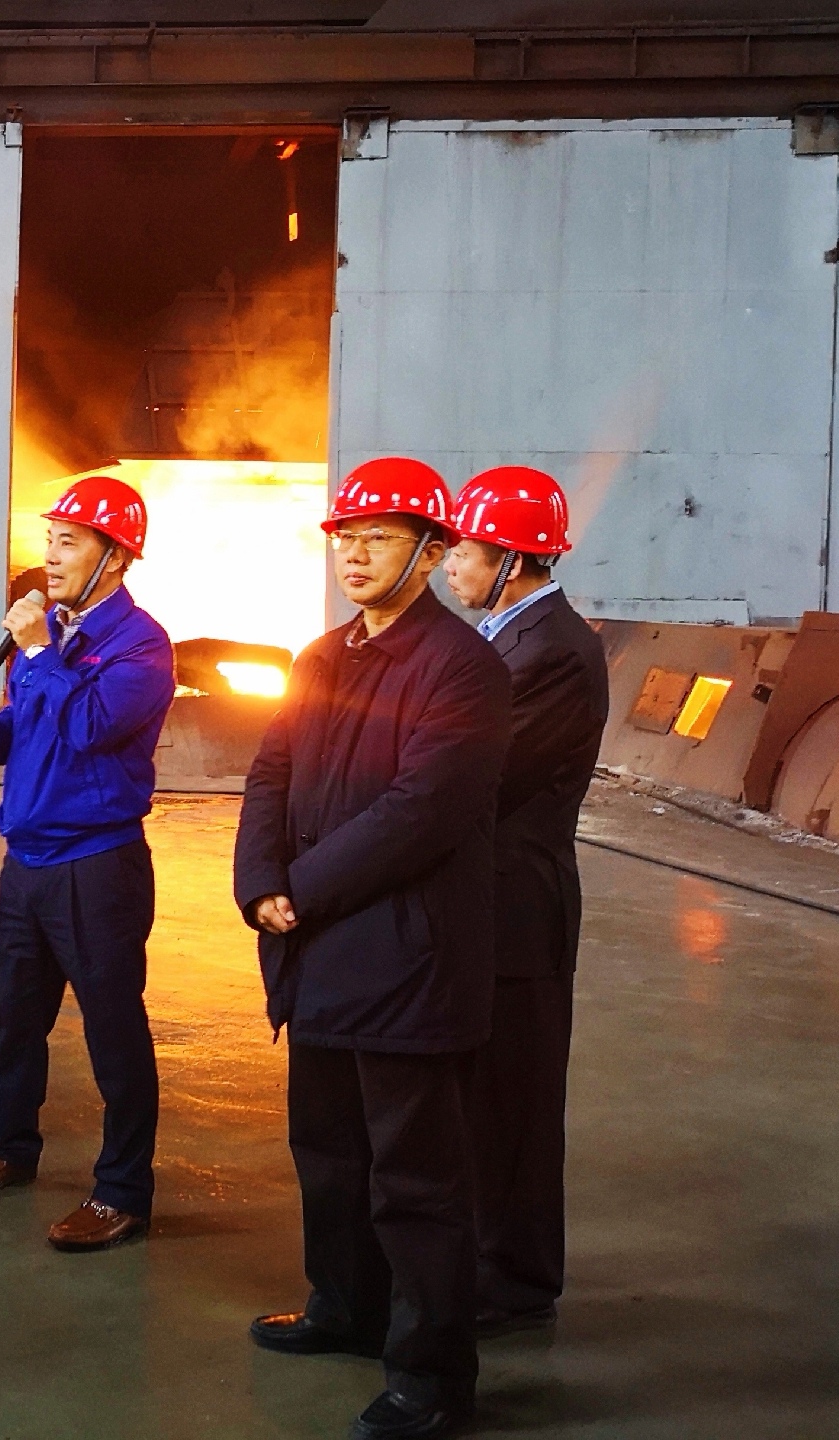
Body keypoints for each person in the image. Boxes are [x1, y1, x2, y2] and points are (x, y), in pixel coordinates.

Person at [234, 457, 512, 1440]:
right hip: (318, 955)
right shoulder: (320, 658)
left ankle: (431, 1382)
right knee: (328, 1154)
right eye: (344, 537)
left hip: (406, 962)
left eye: (379, 538)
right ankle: (344, 1307)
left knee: (416, 1182)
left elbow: (421, 811)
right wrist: (258, 882)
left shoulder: (463, 668)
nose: (353, 554)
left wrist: (299, 891)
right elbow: (270, 771)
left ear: (431, 553)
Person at [0, 475, 176, 1253]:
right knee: (16, 1021)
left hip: (96, 866)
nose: (49, 555)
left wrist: (40, 650)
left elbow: (92, 726)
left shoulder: (141, 644)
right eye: (49, 540)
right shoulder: (48, 636)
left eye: (68, 542)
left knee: (112, 1030)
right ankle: (9, 1148)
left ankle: (122, 1192)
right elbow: (34, 723)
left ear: (116, 557)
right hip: (28, 862)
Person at [444, 465, 608, 1337]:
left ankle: (513, 1283)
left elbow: (480, 775)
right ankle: (481, 1263)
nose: (449, 566)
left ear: (511, 560)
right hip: (488, 900)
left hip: (519, 907)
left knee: (514, 1102)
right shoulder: (506, 638)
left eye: (463, 552)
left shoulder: (550, 652)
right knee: (484, 1098)